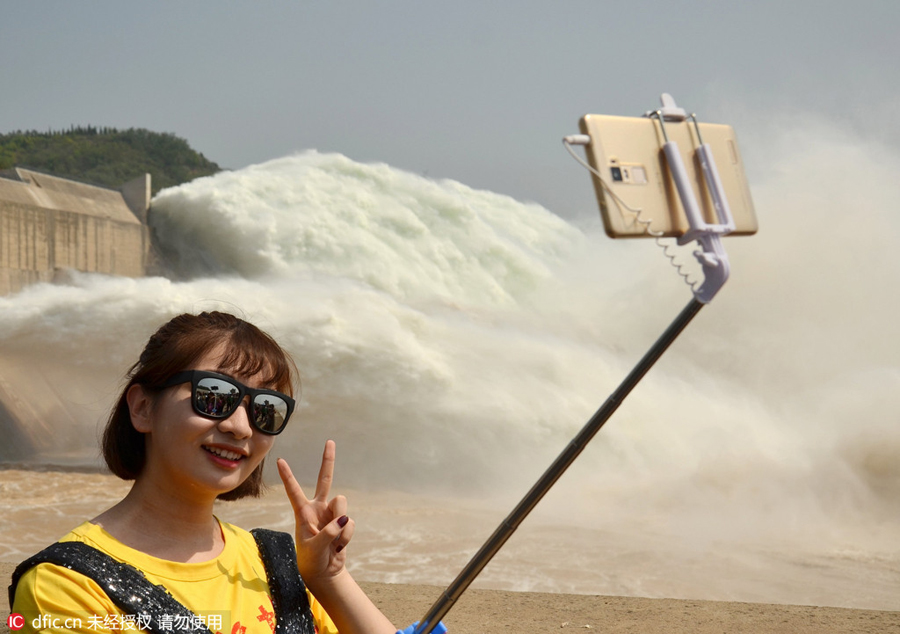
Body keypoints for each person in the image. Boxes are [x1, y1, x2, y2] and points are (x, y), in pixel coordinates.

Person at [10, 311, 401, 634]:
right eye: (214, 396)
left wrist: (329, 579)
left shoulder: (277, 562)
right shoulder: (66, 586)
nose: (241, 427)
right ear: (143, 407)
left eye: (265, 409)